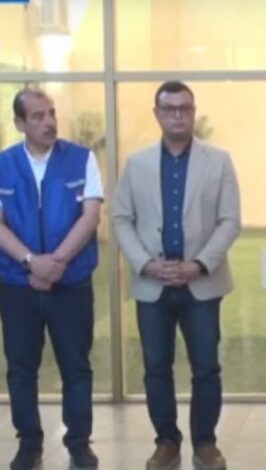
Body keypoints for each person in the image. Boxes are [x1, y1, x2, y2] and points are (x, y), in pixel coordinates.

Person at [112, 80, 241, 470]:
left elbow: (230, 220)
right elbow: (120, 219)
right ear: (157, 114)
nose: (178, 115)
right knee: (156, 368)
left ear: (193, 112)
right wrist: (146, 264)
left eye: (185, 108)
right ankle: (167, 442)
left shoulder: (219, 161)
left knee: (206, 368)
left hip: (201, 283)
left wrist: (198, 265)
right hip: (153, 283)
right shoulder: (136, 163)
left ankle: (205, 443)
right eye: (169, 109)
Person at [0, 88, 102, 470]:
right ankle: (29, 444)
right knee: (20, 369)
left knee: (76, 367)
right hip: (18, 286)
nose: (49, 122)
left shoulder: (82, 158)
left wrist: (56, 263)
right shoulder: (4, 164)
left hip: (71, 284)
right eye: (38, 116)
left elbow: (90, 217)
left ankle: (79, 444)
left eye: (52, 113)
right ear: (19, 123)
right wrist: (31, 262)